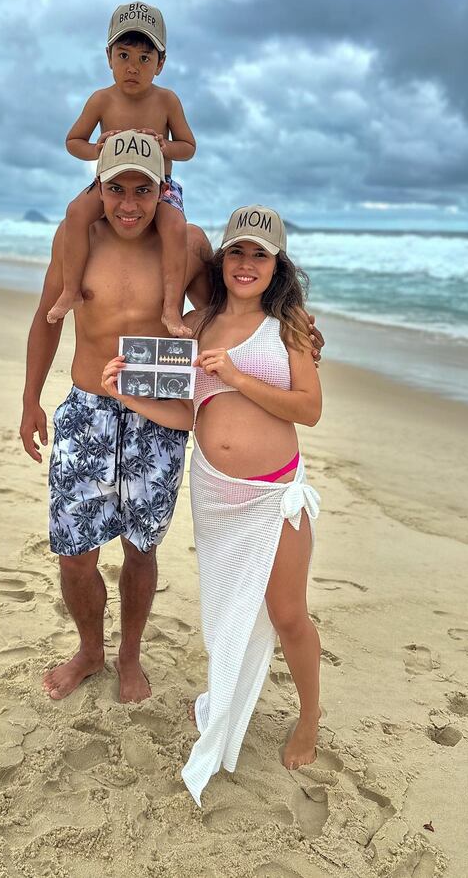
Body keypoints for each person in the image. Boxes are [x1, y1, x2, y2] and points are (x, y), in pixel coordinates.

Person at [101, 206, 322, 805]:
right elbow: (184, 413)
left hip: (274, 492)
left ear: (277, 265)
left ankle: (309, 714)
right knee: (224, 611)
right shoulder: (196, 328)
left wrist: (239, 377)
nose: (246, 264)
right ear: (222, 259)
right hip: (215, 493)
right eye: (237, 252)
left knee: (287, 611)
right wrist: (129, 394)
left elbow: (308, 408)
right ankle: (227, 693)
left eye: (260, 254)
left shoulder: (292, 324)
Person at [20, 131, 212, 704]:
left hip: (156, 414)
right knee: (75, 549)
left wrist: (296, 327)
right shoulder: (79, 238)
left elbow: (231, 304)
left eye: (143, 189)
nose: (129, 203)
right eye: (116, 188)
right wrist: (30, 398)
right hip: (87, 411)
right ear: (99, 188)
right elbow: (47, 319)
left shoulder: (188, 244)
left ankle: (129, 656)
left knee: (141, 547)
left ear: (163, 191)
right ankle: (89, 649)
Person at [45, 1, 196, 338]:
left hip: (159, 185)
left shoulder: (167, 100)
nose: (133, 67)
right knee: (75, 211)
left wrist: (164, 146)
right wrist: (96, 149)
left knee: (175, 225)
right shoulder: (101, 100)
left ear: (161, 63)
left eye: (145, 58)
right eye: (124, 55)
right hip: (110, 183)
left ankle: (171, 308)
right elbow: (73, 141)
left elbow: (188, 147)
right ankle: (70, 291)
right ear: (109, 56)